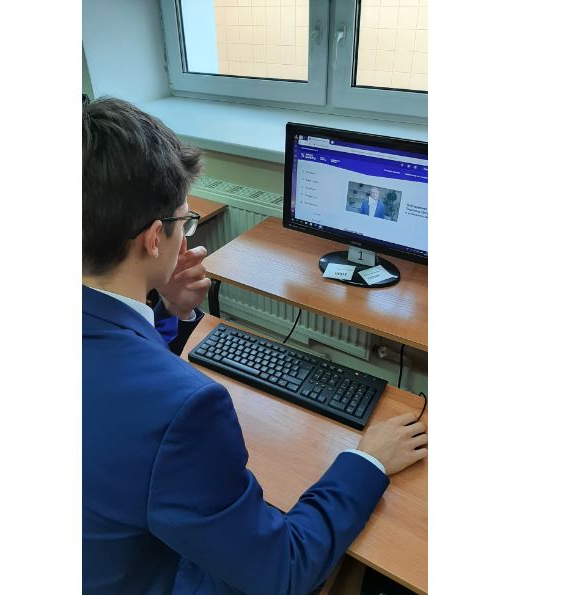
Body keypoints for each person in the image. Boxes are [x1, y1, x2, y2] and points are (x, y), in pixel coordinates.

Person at [82, 97, 427, 595]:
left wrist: (168, 308)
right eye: (185, 222)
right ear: (155, 238)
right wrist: (366, 461)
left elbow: (116, 372)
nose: (187, 236)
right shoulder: (186, 410)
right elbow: (282, 569)